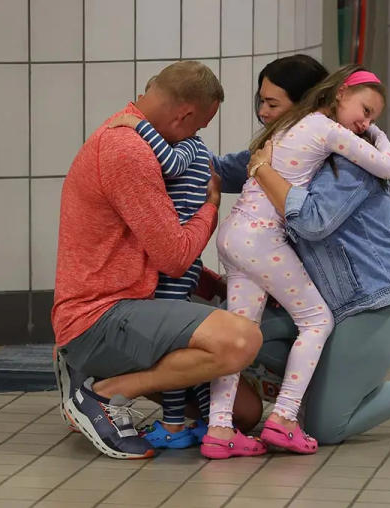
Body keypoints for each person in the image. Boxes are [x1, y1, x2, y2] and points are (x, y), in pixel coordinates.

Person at [232, 89, 390, 447]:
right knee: (239, 329)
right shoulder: (303, 148)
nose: (267, 114)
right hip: (331, 300)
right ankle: (307, 395)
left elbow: (313, 221)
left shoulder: (349, 166)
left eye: (275, 105)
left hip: (371, 301)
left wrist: (263, 170)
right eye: (264, 104)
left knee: (327, 427)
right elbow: (233, 166)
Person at [52, 61, 264, 460]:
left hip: (136, 304)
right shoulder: (126, 151)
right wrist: (212, 205)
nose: (196, 137)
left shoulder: (134, 135)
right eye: (198, 128)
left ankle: (98, 376)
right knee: (241, 340)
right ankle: (99, 394)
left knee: (244, 413)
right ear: (184, 114)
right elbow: (176, 257)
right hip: (99, 316)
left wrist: (208, 282)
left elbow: (149, 247)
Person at [204, 65, 390, 459]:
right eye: (364, 110)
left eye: (373, 118)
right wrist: (378, 133)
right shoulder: (325, 129)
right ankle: (285, 418)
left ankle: (219, 428)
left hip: (234, 234)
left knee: (241, 335)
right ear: (340, 94)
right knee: (317, 320)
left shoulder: (288, 125)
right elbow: (388, 166)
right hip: (261, 239)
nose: (364, 123)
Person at [101, 76, 216, 450]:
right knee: (179, 351)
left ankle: (172, 425)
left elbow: (167, 165)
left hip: (173, 269)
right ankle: (205, 419)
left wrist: (138, 127)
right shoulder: (196, 151)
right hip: (184, 265)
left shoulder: (190, 149)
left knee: (170, 350)